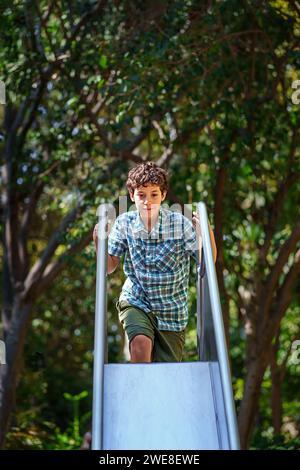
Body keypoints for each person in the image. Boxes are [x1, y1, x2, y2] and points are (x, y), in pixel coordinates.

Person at [93, 162, 217, 363]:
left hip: (172, 311)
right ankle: (138, 393)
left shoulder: (179, 224)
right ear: (132, 196)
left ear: (163, 195)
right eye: (141, 195)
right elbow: (109, 266)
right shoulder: (125, 223)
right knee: (140, 345)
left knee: (165, 374)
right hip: (137, 300)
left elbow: (207, 263)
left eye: (154, 194)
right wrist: (99, 243)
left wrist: (206, 234)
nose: (147, 201)